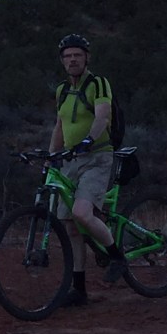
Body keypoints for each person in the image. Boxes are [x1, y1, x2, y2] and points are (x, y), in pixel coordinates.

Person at [48, 33, 127, 306]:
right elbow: (59, 127)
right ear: (62, 61)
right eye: (68, 56)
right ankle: (79, 290)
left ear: (86, 58)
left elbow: (103, 114)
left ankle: (117, 257)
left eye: (77, 55)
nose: (72, 60)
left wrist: (89, 140)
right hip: (72, 160)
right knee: (70, 226)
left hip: (97, 156)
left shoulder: (98, 83)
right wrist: (50, 157)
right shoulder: (61, 91)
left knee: (82, 213)